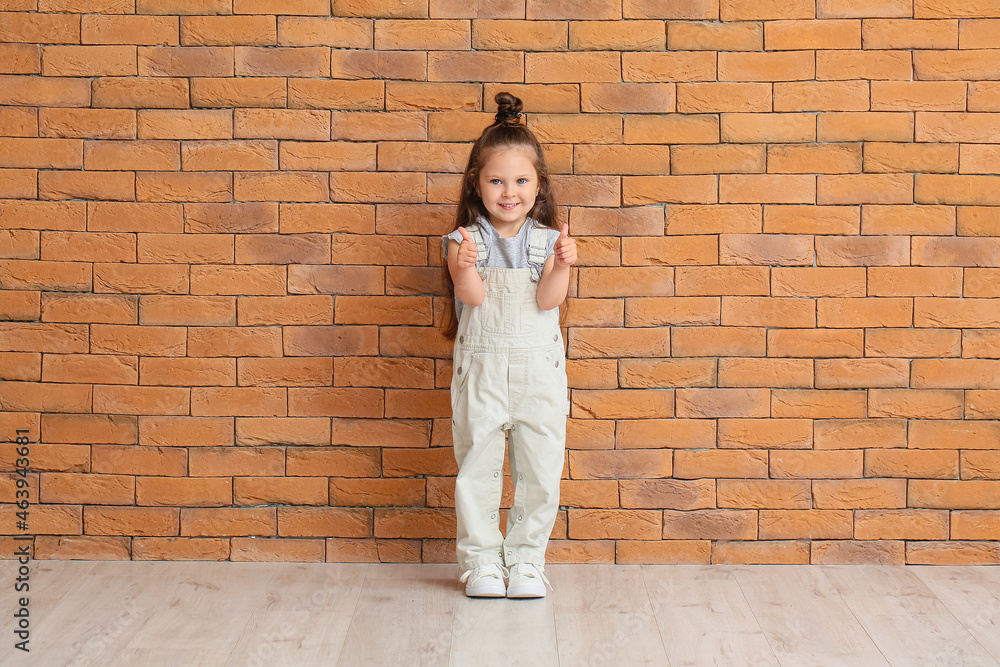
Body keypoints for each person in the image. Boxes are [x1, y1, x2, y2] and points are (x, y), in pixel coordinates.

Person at [441, 92, 577, 598]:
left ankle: (525, 560)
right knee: (478, 464)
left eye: (521, 180)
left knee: (540, 465)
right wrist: (464, 265)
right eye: (496, 180)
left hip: (537, 370)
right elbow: (472, 296)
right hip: (481, 368)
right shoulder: (464, 238)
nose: (508, 191)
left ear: (538, 187)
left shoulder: (546, 239)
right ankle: (481, 562)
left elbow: (547, 302)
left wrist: (562, 264)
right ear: (477, 186)